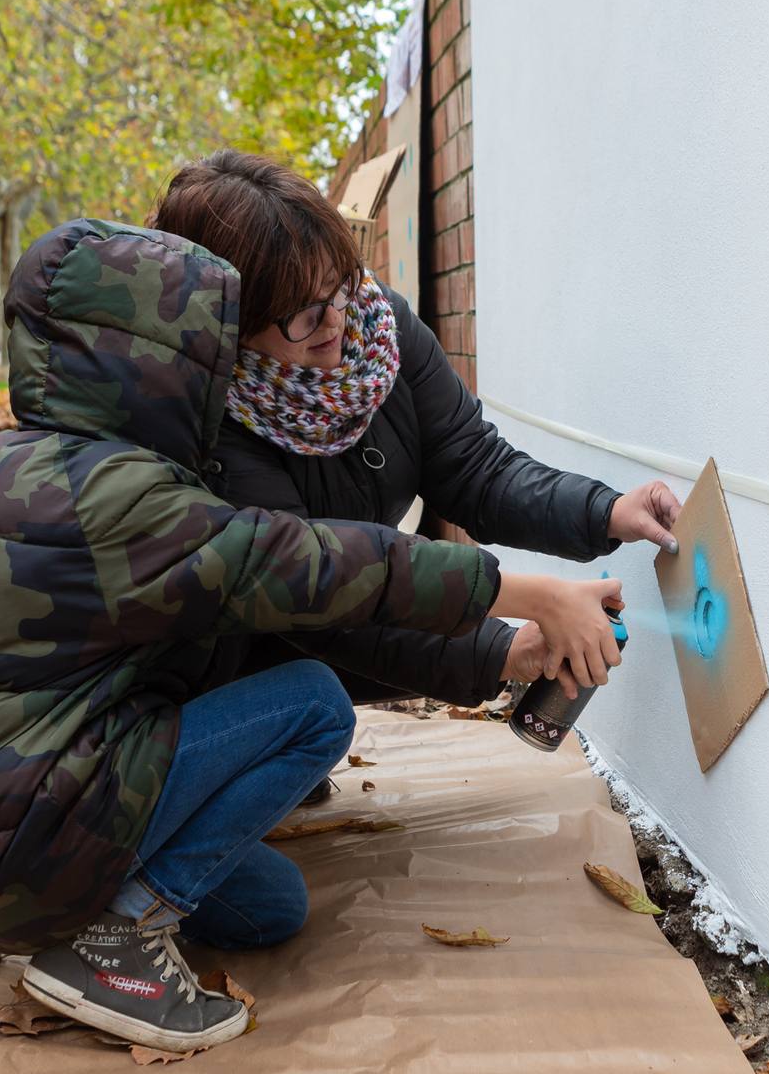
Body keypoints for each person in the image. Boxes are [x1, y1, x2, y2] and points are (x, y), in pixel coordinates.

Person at [0, 219, 626, 1052]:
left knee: (272, 908)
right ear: (163, 365)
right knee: (311, 704)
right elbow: (326, 565)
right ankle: (112, 940)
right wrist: (525, 596)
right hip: (32, 822)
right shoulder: (131, 500)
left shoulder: (0, 466)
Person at [150, 150, 680, 725]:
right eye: (301, 313)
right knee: (313, 707)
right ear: (234, 324)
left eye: (339, 286)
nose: (336, 324)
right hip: (228, 665)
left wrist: (604, 510)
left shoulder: (382, 330)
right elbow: (317, 597)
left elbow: (477, 468)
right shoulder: (206, 417)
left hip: (344, 617)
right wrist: (502, 650)